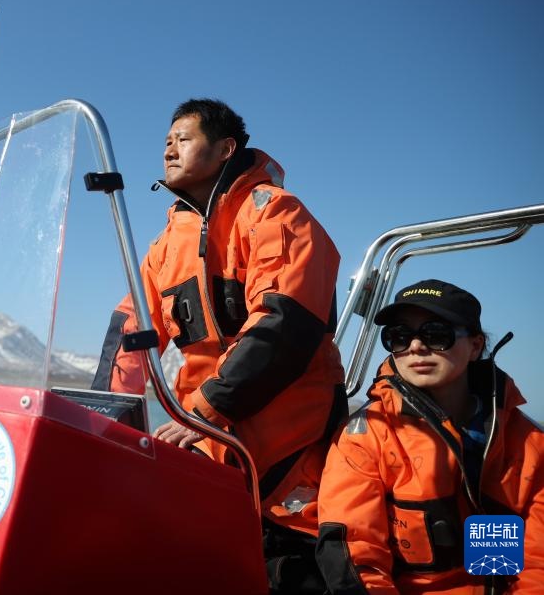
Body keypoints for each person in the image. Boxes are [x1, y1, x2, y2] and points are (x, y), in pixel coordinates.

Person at [91, 98, 346, 591]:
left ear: (226, 148)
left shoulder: (276, 214)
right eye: (166, 140)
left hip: (288, 455)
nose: (169, 147)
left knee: (289, 573)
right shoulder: (166, 246)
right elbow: (130, 331)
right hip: (208, 446)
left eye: (183, 138)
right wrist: (104, 418)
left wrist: (204, 411)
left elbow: (284, 326)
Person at [316, 279, 544, 593]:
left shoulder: (529, 443)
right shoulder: (365, 437)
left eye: (436, 334)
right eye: (399, 336)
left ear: (475, 346)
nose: (416, 347)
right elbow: (356, 554)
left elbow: (539, 563)